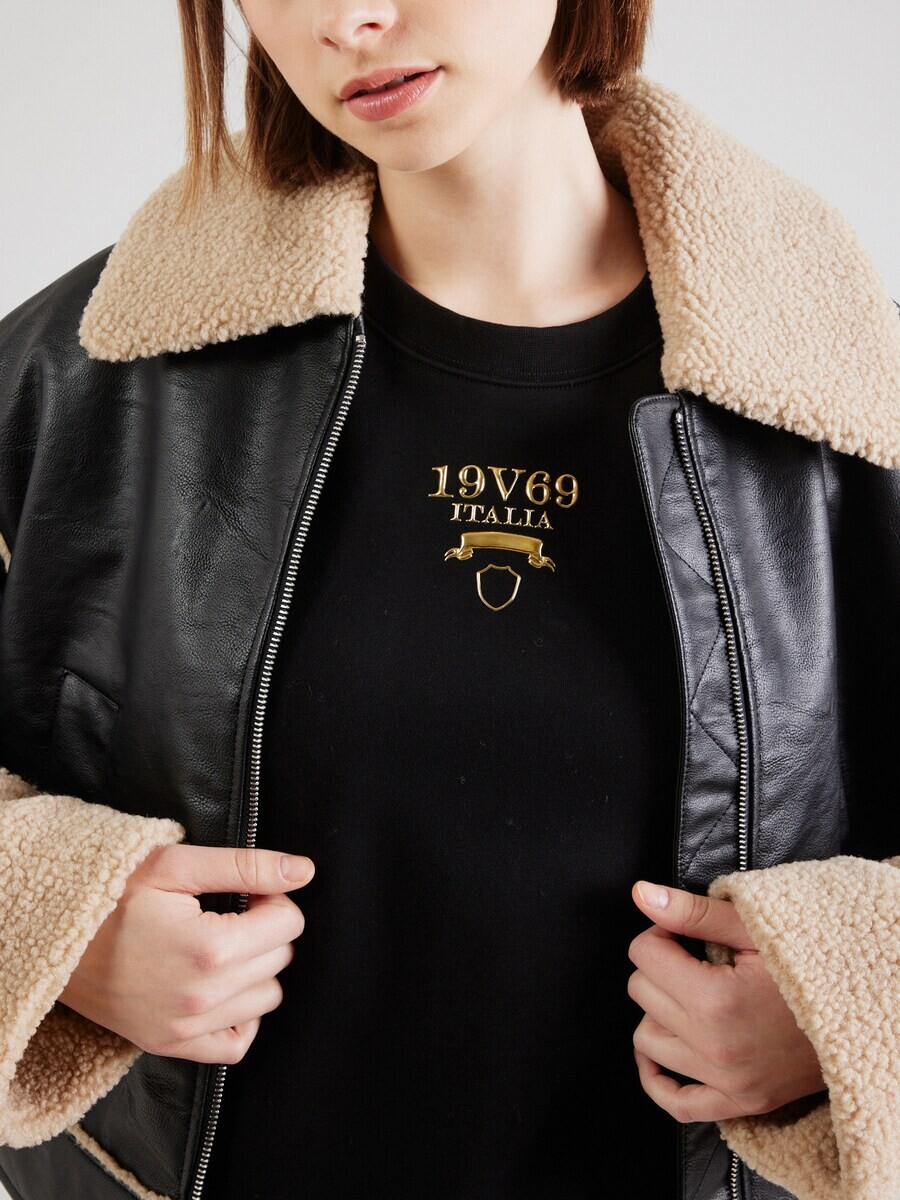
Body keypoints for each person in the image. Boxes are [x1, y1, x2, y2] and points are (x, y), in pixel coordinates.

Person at [0, 1, 897, 1198]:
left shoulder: (854, 401)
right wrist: (57, 930)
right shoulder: (79, 379)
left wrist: (845, 1014)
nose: (348, 18)